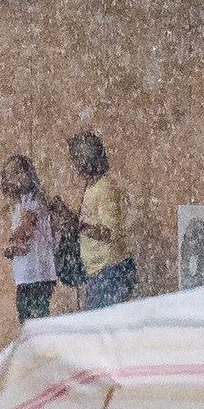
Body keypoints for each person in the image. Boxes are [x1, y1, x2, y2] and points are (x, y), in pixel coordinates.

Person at [67, 132, 135, 309]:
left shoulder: (105, 189)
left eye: (77, 160)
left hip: (110, 270)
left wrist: (81, 227)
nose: (75, 166)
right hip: (96, 271)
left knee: (106, 324)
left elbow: (111, 233)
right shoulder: (92, 187)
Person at [1, 155, 58, 323]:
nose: (9, 180)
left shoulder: (33, 201)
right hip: (30, 276)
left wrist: (10, 245)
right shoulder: (23, 202)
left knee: (33, 323)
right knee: (31, 321)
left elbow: (26, 230)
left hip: (35, 275)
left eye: (13, 174)